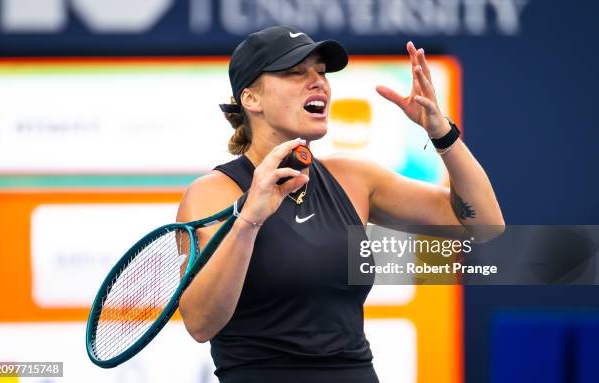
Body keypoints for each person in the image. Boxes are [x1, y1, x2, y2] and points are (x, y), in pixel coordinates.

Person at [177, 25, 504, 383]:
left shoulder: (353, 178)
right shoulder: (214, 193)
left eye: (320, 72)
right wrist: (248, 220)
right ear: (251, 99)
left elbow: (485, 225)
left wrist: (441, 132)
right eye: (295, 73)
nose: (317, 82)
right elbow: (200, 323)